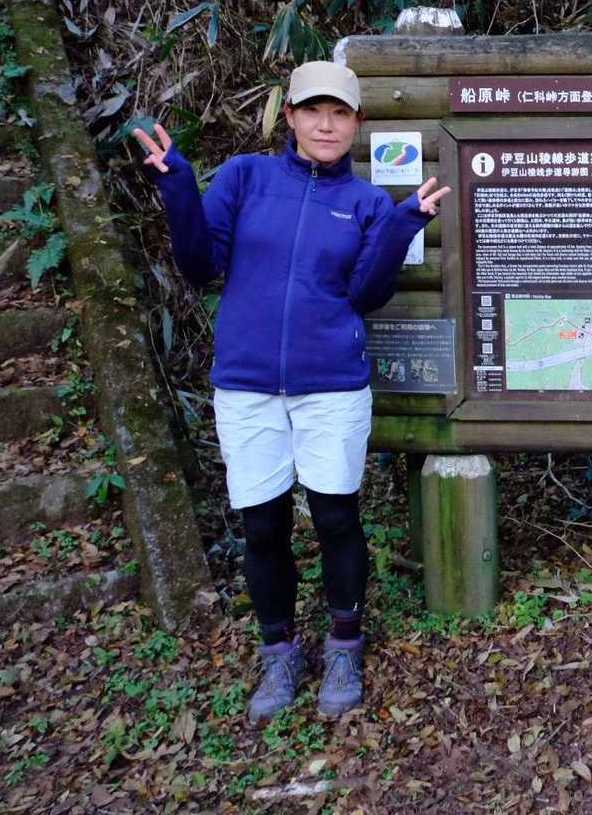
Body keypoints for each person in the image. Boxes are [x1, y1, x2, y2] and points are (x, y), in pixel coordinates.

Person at [133, 61, 449, 723]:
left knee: (336, 519)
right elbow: (200, 264)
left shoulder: (366, 203)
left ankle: (344, 645)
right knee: (262, 527)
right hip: (247, 387)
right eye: (313, 111)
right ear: (292, 117)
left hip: (332, 387)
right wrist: (178, 186)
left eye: (340, 113)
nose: (326, 125)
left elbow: (365, 295)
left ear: (357, 123)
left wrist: (401, 227)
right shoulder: (246, 178)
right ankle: (278, 652)